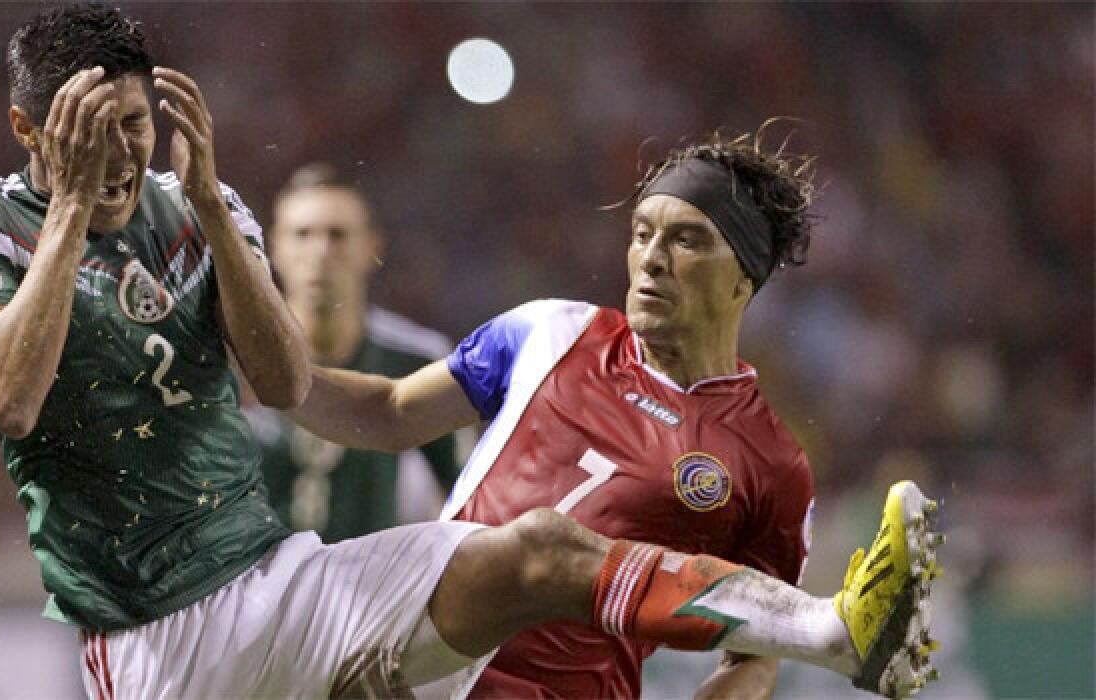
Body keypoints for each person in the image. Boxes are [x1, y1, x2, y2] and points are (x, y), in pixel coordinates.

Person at [0, 5, 939, 698]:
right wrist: (65, 210)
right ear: (26, 128)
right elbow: (8, 396)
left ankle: (839, 633)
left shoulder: (771, 462)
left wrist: (212, 210)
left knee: (544, 546)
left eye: (135, 127)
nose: (121, 157)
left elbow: (282, 384)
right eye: (91, 136)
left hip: (291, 589)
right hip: (157, 643)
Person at [285, 130, 942, 699]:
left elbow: (752, 662)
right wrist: (265, 373)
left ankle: (840, 632)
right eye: (641, 234)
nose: (651, 258)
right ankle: (843, 631)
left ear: (744, 278)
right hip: (430, 663)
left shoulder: (770, 464)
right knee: (536, 545)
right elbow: (390, 410)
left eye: (686, 240)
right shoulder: (549, 332)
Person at [247, 164, 466, 541]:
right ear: (275, 248)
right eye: (303, 235)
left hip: (371, 594)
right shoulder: (231, 356)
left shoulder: (418, 360)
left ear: (371, 248)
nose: (320, 251)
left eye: (338, 235)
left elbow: (468, 494)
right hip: (248, 590)